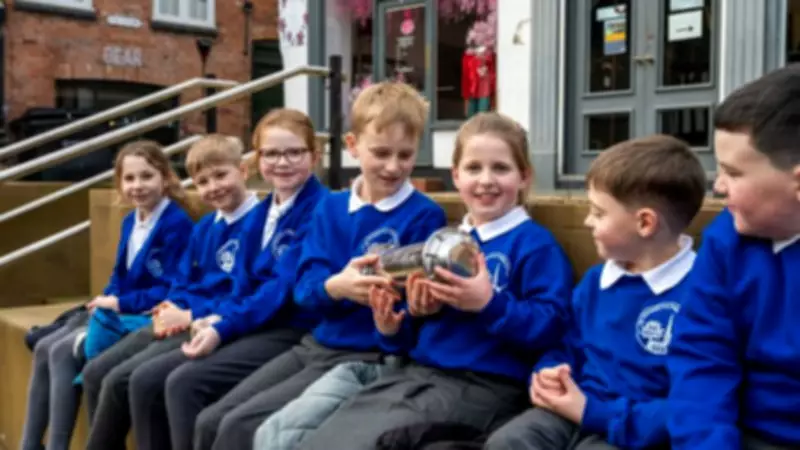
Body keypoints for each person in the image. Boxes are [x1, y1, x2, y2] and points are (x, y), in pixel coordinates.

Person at [295, 112, 574, 450]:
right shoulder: (443, 242)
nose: (486, 180)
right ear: (456, 176)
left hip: (486, 384)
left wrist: (488, 304)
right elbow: (411, 338)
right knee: (319, 440)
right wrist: (399, 324)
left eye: (500, 168)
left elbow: (552, 327)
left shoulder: (534, 245)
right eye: (473, 169)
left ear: (524, 176)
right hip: (418, 373)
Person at [193, 81, 448, 450]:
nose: (393, 167)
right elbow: (304, 288)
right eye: (380, 152)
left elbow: (414, 312)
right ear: (352, 146)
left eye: (405, 155)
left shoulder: (424, 215)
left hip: (366, 356)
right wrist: (336, 286)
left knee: (244, 428)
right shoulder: (331, 207)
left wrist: (393, 314)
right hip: (315, 345)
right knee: (213, 421)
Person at [484, 134, 706, 450]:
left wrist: (594, 413)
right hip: (571, 409)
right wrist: (549, 372)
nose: (588, 221)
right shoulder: (597, 281)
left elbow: (687, 406)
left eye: (599, 213)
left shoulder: (700, 296)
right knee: (508, 442)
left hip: (632, 432)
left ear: (645, 223)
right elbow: (566, 344)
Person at [125, 109, 328, 450]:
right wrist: (214, 317)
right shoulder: (264, 212)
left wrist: (222, 325)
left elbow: (280, 289)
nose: (283, 162)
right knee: (150, 379)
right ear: (258, 158)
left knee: (184, 384)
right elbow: (240, 284)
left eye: (294, 152)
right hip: (250, 321)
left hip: (291, 327)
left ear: (314, 155)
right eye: (272, 153)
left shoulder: (321, 208)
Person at [82, 134, 261, 450]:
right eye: (203, 181)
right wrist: (172, 306)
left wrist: (190, 313)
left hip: (216, 324)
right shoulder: (206, 226)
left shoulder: (259, 223)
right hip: (180, 316)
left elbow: (243, 292)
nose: (213, 187)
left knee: (139, 380)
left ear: (243, 171)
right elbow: (183, 280)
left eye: (221, 175)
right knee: (99, 372)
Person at [18, 140, 194, 450]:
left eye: (146, 176)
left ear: (165, 178)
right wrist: (108, 297)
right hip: (119, 310)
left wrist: (119, 302)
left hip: (144, 316)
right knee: (46, 345)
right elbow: (119, 275)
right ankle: (30, 444)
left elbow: (169, 289)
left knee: (61, 351)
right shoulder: (131, 221)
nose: (137, 186)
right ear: (119, 183)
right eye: (129, 178)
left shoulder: (176, 224)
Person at [668, 65, 800, 450]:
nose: (717, 185)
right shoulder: (726, 241)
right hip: (745, 435)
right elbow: (702, 356)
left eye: (732, 172)